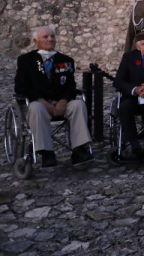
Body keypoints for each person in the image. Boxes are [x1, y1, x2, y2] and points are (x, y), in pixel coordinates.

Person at [14, 26, 94, 168]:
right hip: (40, 103)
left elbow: (70, 86)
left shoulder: (66, 60)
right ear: (35, 40)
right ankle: (47, 153)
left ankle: (79, 149)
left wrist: (63, 100)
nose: (50, 39)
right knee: (36, 108)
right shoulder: (26, 60)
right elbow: (21, 87)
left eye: (52, 36)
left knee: (78, 105)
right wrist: (43, 102)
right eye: (45, 37)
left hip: (61, 103)